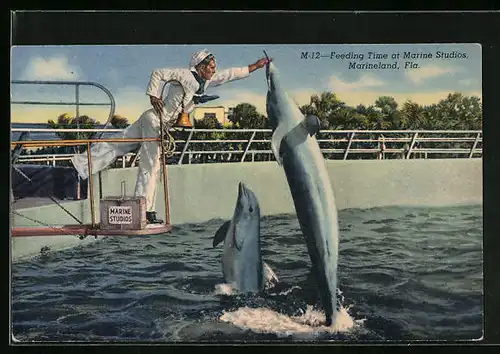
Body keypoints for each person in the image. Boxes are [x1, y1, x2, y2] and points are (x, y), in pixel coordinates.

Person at [71, 49, 270, 224]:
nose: (214, 69)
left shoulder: (206, 80)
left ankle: (79, 166)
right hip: (155, 121)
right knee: (151, 165)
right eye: (210, 66)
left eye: (214, 66)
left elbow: (231, 74)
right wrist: (153, 95)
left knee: (118, 143)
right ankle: (145, 211)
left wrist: (256, 66)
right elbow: (158, 73)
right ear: (199, 66)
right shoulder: (184, 74)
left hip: (154, 120)